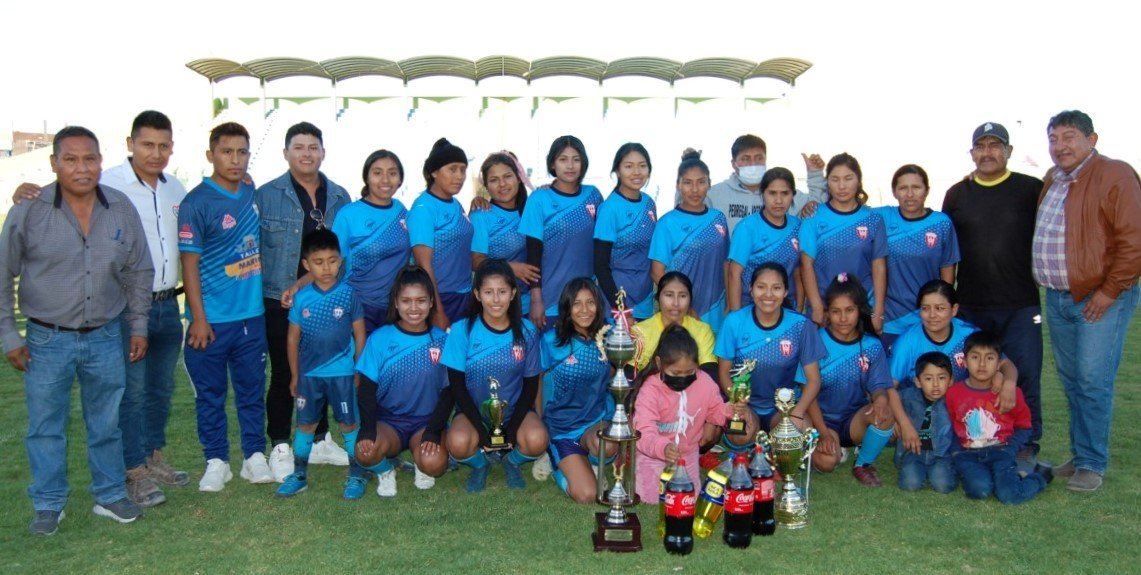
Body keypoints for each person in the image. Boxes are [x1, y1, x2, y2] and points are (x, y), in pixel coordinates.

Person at [10, 110, 190, 507]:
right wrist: (23, 191)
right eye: (147, 144)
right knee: (121, 397)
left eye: (163, 145)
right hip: (107, 315)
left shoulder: (172, 188)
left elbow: (162, 254)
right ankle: (115, 478)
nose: (156, 153)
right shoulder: (103, 186)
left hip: (163, 305)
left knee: (156, 392)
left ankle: (145, 460)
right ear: (130, 145)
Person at [1, 126, 153, 534]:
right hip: (46, 337)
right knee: (45, 425)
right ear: (54, 164)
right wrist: (8, 336)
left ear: (101, 162)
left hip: (106, 334)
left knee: (106, 421)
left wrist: (138, 326)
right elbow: (3, 273)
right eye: (71, 159)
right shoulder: (29, 211)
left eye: (90, 159)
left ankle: (108, 495)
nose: (82, 168)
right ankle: (49, 503)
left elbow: (139, 270)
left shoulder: (119, 207)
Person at [1033, 110, 1141, 491]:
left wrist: (1109, 292)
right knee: (1074, 379)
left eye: (1069, 137)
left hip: (1099, 298)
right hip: (1060, 298)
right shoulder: (1054, 179)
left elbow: (1133, 241)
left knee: (1093, 380)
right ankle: (1081, 456)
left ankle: (1092, 463)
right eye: (1053, 138)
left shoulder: (1116, 175)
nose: (1059, 146)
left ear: (1091, 139)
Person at [943, 122, 1046, 470]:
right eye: (980, 146)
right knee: (970, 375)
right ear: (971, 153)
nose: (987, 152)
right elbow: (946, 247)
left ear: (1009, 151)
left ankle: (1025, 443)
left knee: (1026, 374)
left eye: (995, 146)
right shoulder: (958, 193)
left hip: (1020, 302)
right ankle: (971, 439)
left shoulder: (1031, 189)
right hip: (971, 303)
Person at [179, 122, 271, 492]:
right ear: (210, 155)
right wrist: (198, 318)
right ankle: (216, 460)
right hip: (211, 322)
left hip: (251, 318)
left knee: (251, 391)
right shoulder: (196, 203)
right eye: (227, 152)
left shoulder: (250, 192)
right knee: (211, 396)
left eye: (242, 152)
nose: (235, 159)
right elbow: (189, 264)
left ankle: (253, 456)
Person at [257, 122, 353, 481]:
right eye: (299, 147)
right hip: (279, 299)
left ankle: (320, 439)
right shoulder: (266, 195)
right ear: (286, 153)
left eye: (313, 147)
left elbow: (344, 252)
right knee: (286, 372)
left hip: (328, 299)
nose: (307, 154)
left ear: (323, 153)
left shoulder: (340, 197)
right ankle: (280, 443)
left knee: (325, 368)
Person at [434, 259, 546, 492]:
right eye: (488, 292)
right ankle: (480, 464)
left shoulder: (527, 331)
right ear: (477, 294)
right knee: (457, 443)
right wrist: (483, 430)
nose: (496, 300)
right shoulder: (461, 330)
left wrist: (513, 429)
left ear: (513, 293)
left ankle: (511, 462)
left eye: (502, 292)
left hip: (516, 411)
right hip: (473, 412)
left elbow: (530, 385)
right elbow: (457, 387)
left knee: (537, 440)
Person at [276, 229, 367, 499]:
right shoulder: (301, 297)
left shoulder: (349, 294)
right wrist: (295, 375)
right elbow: (292, 339)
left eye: (332, 260)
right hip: (309, 376)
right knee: (305, 425)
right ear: (306, 264)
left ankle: (357, 475)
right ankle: (300, 474)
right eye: (318, 261)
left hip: (342, 373)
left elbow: (360, 333)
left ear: (341, 261)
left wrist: (358, 367)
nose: (327, 268)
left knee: (349, 425)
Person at [355, 265, 451, 497]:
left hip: (425, 422)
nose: (414, 308)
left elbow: (450, 392)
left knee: (435, 464)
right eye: (406, 301)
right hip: (389, 422)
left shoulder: (442, 341)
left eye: (421, 300)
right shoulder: (380, 339)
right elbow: (366, 390)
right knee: (365, 453)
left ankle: (421, 464)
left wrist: (433, 431)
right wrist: (368, 430)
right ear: (396, 303)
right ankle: (386, 470)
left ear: (431, 303)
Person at [715, 263, 827, 449]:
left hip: (784, 407)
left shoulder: (800, 326)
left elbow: (814, 380)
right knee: (739, 437)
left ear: (785, 292)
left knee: (795, 436)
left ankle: (775, 449)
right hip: (747, 404)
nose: (768, 295)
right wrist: (738, 403)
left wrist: (797, 413)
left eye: (776, 288)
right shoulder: (734, 322)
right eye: (761, 287)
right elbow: (724, 373)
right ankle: (754, 449)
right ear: (750, 290)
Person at [633, 325, 743, 503]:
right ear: (660, 363)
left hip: (688, 456)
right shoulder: (650, 390)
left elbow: (716, 412)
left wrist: (732, 410)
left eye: (690, 372)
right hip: (653, 457)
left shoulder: (705, 382)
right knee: (652, 499)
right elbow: (643, 431)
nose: (683, 378)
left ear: (697, 366)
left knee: (688, 499)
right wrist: (663, 448)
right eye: (675, 373)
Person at [946, 331, 1051, 504]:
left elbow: (1025, 426)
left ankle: (1040, 478)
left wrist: (1010, 448)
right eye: (975, 357)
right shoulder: (953, 393)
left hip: (1001, 452)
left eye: (989, 358)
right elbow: (948, 426)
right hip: (968, 455)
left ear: (999, 364)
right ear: (964, 362)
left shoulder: (1011, 394)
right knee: (979, 490)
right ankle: (1001, 476)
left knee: (1009, 496)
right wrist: (957, 452)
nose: (981, 364)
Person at [809, 275, 895, 487]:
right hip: (821, 420)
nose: (843, 318)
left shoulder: (872, 345)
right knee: (828, 462)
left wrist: (881, 400)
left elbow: (878, 386)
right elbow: (808, 393)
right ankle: (811, 448)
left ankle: (863, 464)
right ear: (827, 313)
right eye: (836, 312)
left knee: (885, 414)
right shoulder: (816, 341)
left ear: (860, 310)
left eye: (849, 310)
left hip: (852, 421)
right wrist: (822, 433)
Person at [539, 279, 614, 503]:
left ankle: (589, 462)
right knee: (587, 494)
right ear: (567, 308)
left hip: (594, 422)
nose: (584, 310)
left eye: (590, 302)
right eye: (577, 303)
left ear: (599, 305)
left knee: (608, 445)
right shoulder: (551, 341)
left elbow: (614, 376)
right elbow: (537, 382)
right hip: (562, 428)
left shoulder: (608, 337)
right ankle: (556, 462)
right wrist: (540, 422)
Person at [520, 135, 603, 329]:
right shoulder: (539, 199)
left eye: (576, 159)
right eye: (563, 159)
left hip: (585, 303)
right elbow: (533, 255)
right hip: (550, 301)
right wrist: (536, 299)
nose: (570, 165)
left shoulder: (594, 195)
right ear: (553, 164)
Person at [799, 153, 887, 331]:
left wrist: (878, 311)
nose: (842, 186)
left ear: (858, 180)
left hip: (862, 308)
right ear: (827, 183)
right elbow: (806, 265)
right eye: (835, 179)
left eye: (848, 178)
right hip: (825, 310)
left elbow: (879, 267)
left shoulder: (872, 219)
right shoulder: (813, 217)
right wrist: (817, 307)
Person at [326, 149, 411, 333]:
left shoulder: (402, 211)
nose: (386, 180)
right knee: (362, 361)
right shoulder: (348, 215)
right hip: (359, 307)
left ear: (400, 179)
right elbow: (331, 261)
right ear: (367, 177)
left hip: (396, 308)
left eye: (392, 173)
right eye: (377, 173)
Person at [876, 164, 959, 349]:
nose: (910, 194)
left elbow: (947, 271)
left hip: (928, 317)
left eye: (916, 187)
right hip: (891, 319)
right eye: (903, 188)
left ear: (927, 190)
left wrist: (942, 310)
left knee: (928, 374)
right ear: (894, 192)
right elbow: (847, 207)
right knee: (892, 374)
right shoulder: (882, 217)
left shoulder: (941, 223)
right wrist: (812, 202)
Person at [649, 149, 729, 333]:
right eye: (687, 183)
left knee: (711, 359)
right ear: (678, 185)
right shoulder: (667, 223)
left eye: (701, 182)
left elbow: (726, 263)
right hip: (679, 312)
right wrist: (682, 304)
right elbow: (656, 272)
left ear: (710, 183)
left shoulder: (718, 219)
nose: (694, 190)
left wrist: (731, 304)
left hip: (715, 307)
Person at [408, 138, 474, 329]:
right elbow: (423, 264)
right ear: (434, 172)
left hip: (464, 295)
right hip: (442, 298)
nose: (460, 176)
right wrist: (437, 310)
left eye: (463, 170)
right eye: (452, 169)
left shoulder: (456, 203)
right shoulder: (424, 208)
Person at [701, 134, 828, 233]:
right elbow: (685, 206)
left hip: (773, 265)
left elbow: (817, 208)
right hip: (731, 265)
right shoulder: (715, 194)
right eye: (745, 159)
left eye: (759, 158)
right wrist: (689, 162)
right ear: (734, 164)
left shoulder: (780, 192)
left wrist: (815, 173)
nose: (753, 164)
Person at [594, 143, 658, 320]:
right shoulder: (609, 209)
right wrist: (620, 309)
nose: (636, 172)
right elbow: (600, 266)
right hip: (617, 301)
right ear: (618, 171)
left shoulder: (649, 203)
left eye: (642, 165)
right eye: (628, 166)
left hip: (645, 299)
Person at [727, 167, 804, 312]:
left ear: (793, 195)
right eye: (772, 193)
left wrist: (799, 309)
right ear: (762, 194)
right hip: (750, 308)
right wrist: (735, 316)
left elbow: (798, 272)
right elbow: (734, 274)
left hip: (786, 309)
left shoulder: (797, 227)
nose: (779, 200)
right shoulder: (747, 228)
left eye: (785, 193)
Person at [471, 151, 538, 316]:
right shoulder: (481, 215)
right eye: (494, 180)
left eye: (508, 176)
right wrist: (509, 268)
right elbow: (475, 261)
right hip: (497, 306)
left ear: (518, 178)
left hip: (533, 303)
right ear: (486, 186)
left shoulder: (532, 208)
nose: (502, 184)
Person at [633, 272, 718, 380]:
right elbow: (631, 374)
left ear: (690, 300)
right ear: (658, 298)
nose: (676, 303)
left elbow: (709, 374)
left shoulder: (703, 330)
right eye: (669, 295)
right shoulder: (639, 331)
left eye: (683, 296)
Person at [894, 352, 957, 494]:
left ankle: (941, 471)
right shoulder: (909, 396)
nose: (935, 384)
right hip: (913, 452)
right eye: (928, 378)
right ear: (917, 381)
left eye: (941, 378)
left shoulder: (954, 398)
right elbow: (891, 399)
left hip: (942, 453)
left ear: (951, 380)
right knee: (910, 484)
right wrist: (895, 420)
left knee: (943, 485)